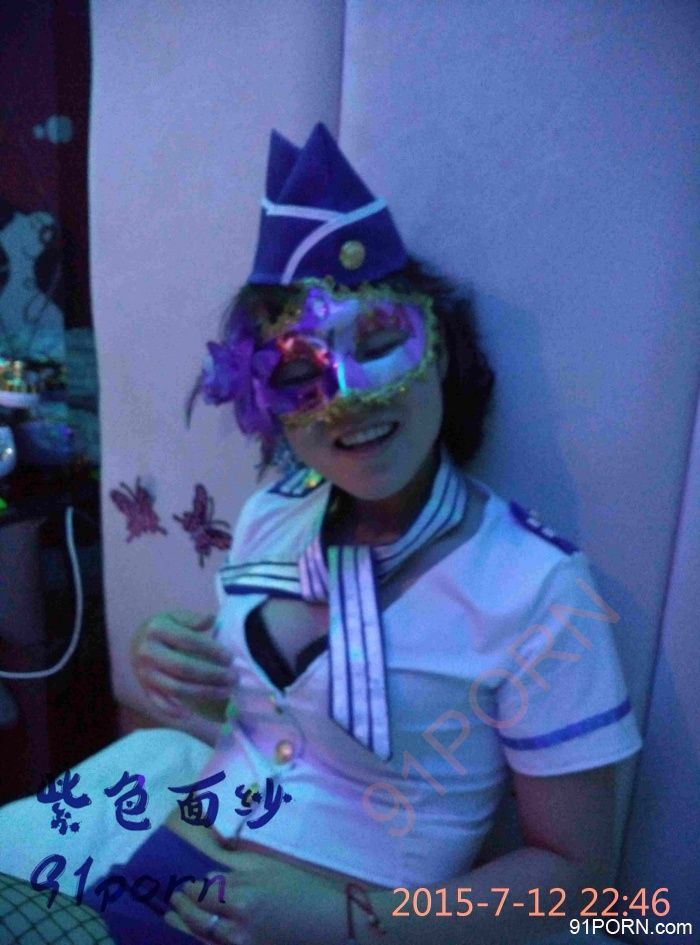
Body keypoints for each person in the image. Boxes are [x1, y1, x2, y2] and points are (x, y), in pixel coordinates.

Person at [0, 123, 642, 945]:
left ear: (440, 350)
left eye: (381, 346)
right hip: (161, 869)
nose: (348, 401)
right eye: (301, 373)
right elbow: (271, 718)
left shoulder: (538, 585)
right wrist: (165, 656)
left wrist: (344, 919)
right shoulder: (273, 512)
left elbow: (579, 879)